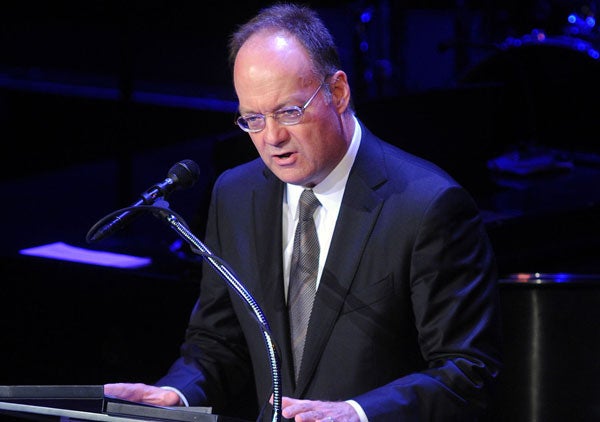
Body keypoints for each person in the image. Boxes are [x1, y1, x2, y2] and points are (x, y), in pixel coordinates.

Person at [105, 3, 502, 421]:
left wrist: (356, 413)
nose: (272, 138)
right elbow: (219, 341)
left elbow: (467, 372)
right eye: (252, 119)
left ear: (338, 92)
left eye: (289, 112)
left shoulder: (427, 206)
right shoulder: (236, 195)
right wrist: (178, 394)